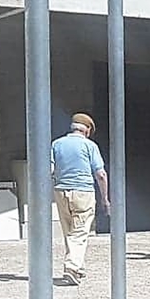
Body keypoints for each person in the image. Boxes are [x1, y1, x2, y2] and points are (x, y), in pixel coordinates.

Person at [51, 113, 110, 286]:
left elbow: (50, 169)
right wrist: (105, 198)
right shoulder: (89, 145)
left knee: (69, 231)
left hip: (61, 191)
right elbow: (100, 174)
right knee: (80, 232)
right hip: (83, 192)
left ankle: (79, 267)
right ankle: (71, 268)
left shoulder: (57, 144)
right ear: (88, 130)